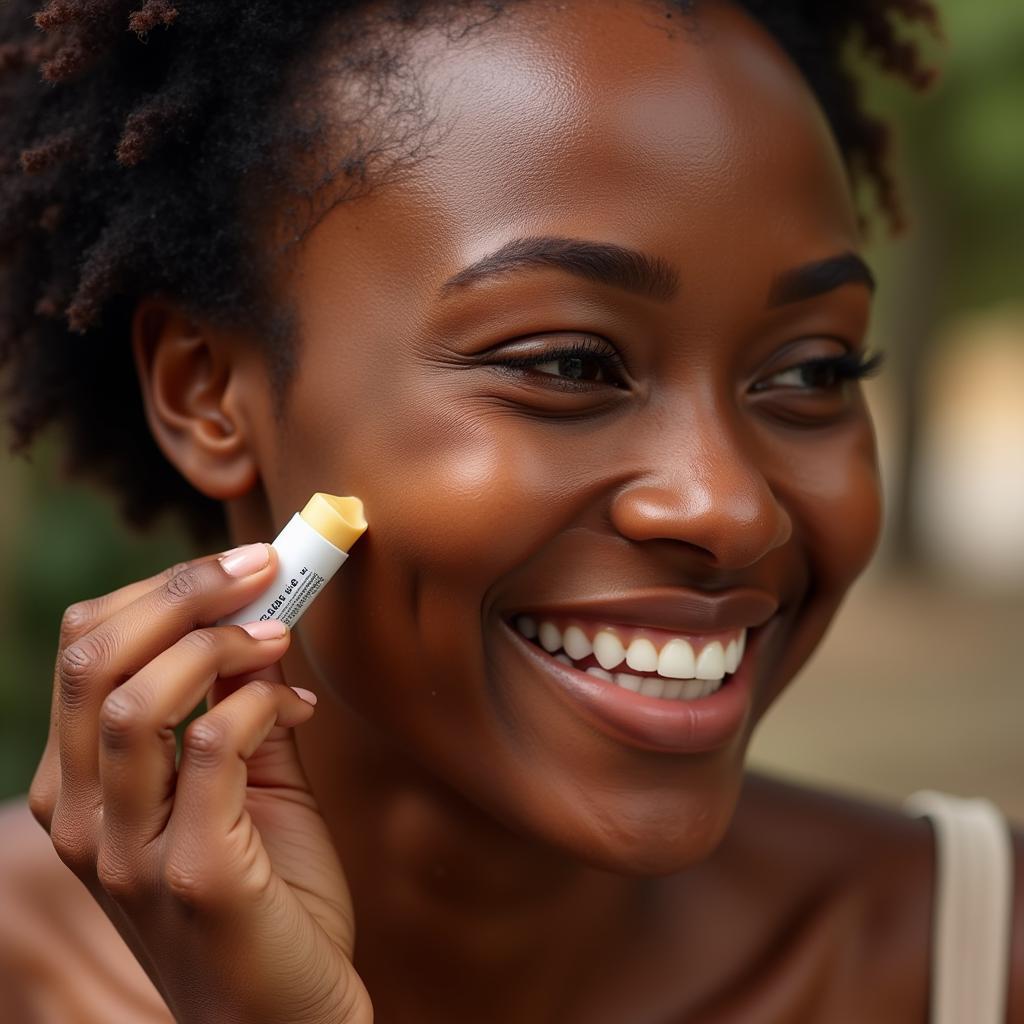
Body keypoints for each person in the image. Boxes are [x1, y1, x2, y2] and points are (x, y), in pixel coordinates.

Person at [0, 0, 1019, 1021]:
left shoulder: (977, 957)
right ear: (207, 390)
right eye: (571, 365)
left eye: (811, 369)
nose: (729, 509)